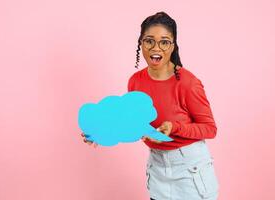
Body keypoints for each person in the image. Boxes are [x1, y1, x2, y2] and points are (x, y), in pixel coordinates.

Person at [82, 11, 219, 200]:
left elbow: (210, 129)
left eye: (164, 42)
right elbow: (132, 122)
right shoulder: (135, 82)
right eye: (149, 41)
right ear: (141, 43)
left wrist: (174, 128)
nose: (156, 47)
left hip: (190, 169)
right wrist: (101, 132)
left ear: (173, 46)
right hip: (157, 167)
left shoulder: (188, 83)